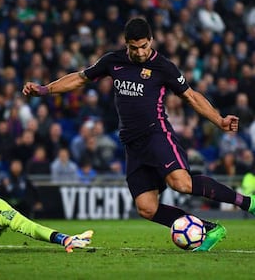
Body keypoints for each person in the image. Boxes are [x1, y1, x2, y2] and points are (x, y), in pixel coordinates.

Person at [23, 17, 254, 252]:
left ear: (151, 41)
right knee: (146, 208)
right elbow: (80, 78)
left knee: (181, 184)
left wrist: (219, 120)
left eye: (144, 46)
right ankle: (208, 228)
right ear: (126, 44)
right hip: (132, 144)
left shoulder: (163, 67)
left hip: (157, 135)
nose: (141, 52)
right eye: (134, 48)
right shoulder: (113, 61)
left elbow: (191, 96)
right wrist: (44, 89)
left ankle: (247, 203)